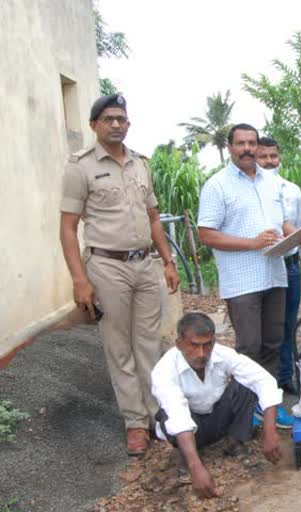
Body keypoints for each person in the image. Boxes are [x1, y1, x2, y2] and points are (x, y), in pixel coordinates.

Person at [59, 94, 180, 456]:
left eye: (122, 119)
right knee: (118, 346)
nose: (116, 124)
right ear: (94, 125)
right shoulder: (80, 167)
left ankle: (159, 417)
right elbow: (68, 228)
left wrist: (167, 261)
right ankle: (135, 424)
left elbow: (154, 218)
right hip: (106, 266)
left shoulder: (141, 164)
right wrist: (80, 280)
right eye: (109, 118)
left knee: (148, 343)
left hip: (145, 265)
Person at [198, 123, 301, 429]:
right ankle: (246, 411)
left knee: (274, 343)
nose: (247, 148)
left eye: (252, 143)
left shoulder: (271, 183)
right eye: (241, 143)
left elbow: (284, 223)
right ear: (231, 147)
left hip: (275, 275)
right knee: (249, 346)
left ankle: (268, 405)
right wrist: (252, 244)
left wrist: (300, 236)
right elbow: (206, 234)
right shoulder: (217, 185)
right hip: (242, 280)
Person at [152, 313, 282, 499]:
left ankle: (234, 441)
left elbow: (264, 380)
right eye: (194, 345)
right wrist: (196, 467)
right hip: (191, 426)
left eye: (207, 345)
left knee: (245, 385)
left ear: (213, 341)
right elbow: (178, 416)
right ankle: (189, 454)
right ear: (179, 344)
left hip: (218, 419)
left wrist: (270, 430)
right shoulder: (164, 370)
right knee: (167, 415)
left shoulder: (222, 354)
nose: (202, 353)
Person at [255, 136, 301, 395]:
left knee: (288, 325)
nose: (269, 161)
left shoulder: (293, 190)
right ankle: (266, 381)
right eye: (263, 157)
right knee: (266, 328)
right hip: (265, 265)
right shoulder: (252, 191)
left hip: (291, 265)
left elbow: (298, 226)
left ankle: (287, 377)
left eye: (273, 156)